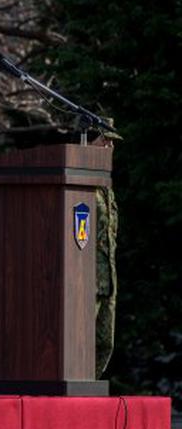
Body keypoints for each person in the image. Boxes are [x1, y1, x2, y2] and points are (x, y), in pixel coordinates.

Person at [92, 123, 120, 377]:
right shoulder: (80, 184)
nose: (109, 147)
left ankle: (88, 386)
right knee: (78, 343)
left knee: (105, 343)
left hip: (107, 280)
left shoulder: (105, 187)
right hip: (85, 282)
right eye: (105, 141)